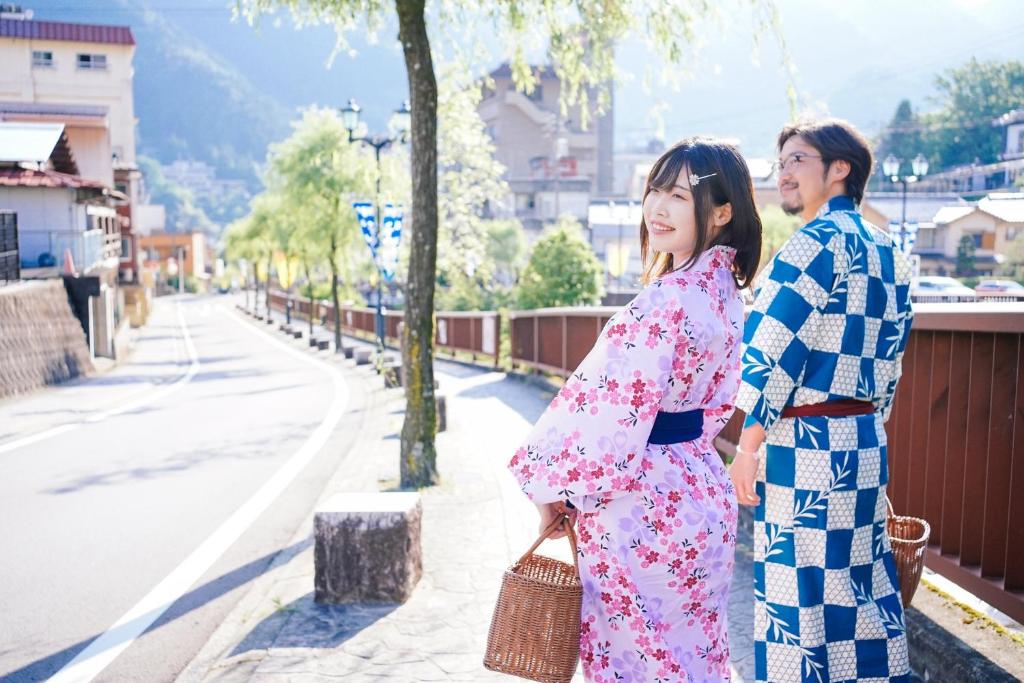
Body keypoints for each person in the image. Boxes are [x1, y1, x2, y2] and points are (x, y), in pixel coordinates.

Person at [508, 137, 763, 682]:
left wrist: (554, 492)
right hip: (700, 492)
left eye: (677, 194)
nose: (658, 208)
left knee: (637, 662)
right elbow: (719, 403)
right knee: (695, 659)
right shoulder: (725, 294)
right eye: (655, 190)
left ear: (723, 211)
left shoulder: (663, 301)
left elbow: (607, 415)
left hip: (641, 510)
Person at [730, 118, 914, 682]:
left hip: (805, 447)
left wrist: (748, 443)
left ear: (841, 170)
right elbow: (891, 361)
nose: (783, 173)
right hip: (862, 443)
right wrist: (873, 440)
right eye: (780, 162)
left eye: (798, 160)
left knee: (799, 595)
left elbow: (776, 347)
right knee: (859, 588)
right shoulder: (891, 250)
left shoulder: (812, 243)